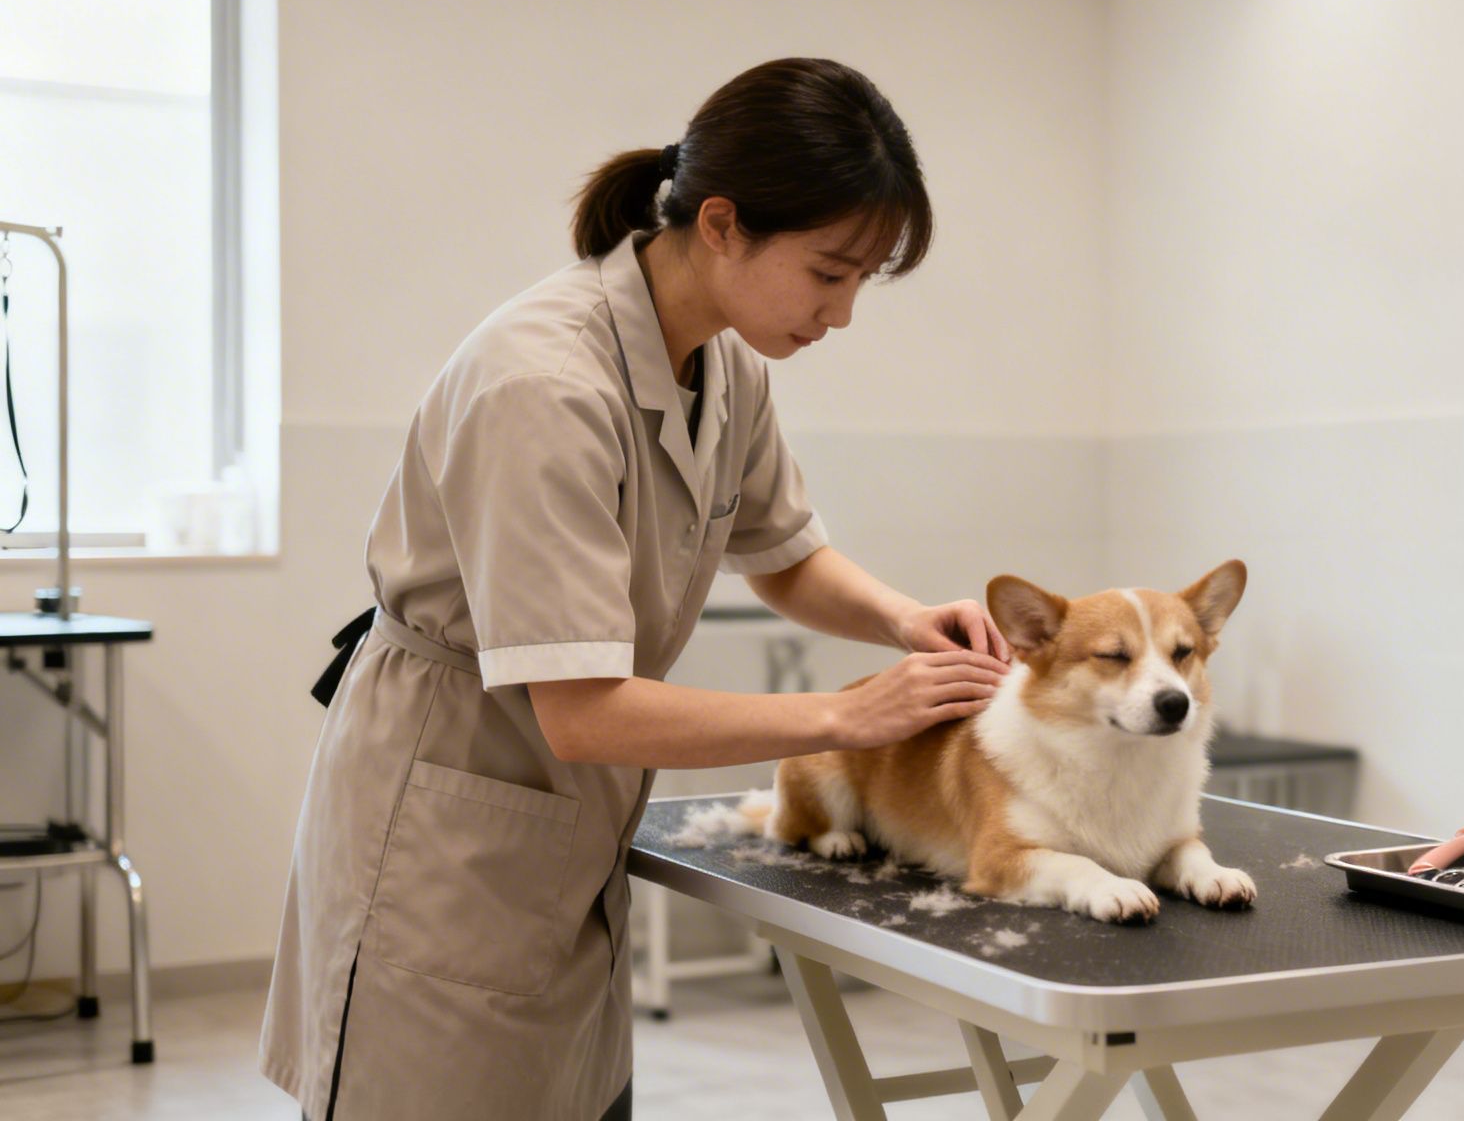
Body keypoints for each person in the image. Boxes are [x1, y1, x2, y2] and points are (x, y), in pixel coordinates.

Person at [259, 57, 1013, 1121]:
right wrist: (848, 715)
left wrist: (899, 618)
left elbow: (783, 552)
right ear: (719, 224)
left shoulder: (724, 360)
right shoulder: (542, 382)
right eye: (828, 272)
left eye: (860, 282)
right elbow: (579, 711)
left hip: (558, 828)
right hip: (446, 817)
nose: (840, 314)